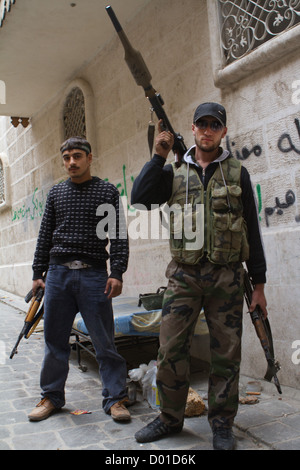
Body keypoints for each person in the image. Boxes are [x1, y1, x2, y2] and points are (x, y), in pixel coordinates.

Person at [131, 102, 267, 450]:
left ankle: (222, 424)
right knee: (171, 350)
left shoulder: (237, 173)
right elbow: (139, 199)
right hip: (183, 277)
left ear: (223, 131)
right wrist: (158, 156)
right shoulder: (173, 172)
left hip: (227, 278)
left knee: (227, 355)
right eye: (201, 124)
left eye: (214, 125)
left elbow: (251, 227)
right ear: (192, 129)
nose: (207, 130)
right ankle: (169, 419)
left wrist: (260, 284)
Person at [28, 136, 130, 423]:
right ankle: (51, 396)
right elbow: (45, 235)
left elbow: (119, 235)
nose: (71, 162)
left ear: (89, 157)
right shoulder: (56, 193)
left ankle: (116, 398)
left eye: (77, 156)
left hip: (94, 275)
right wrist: (38, 273)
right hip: (58, 275)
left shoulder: (107, 192)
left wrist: (117, 272)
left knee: (104, 342)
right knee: (55, 341)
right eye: (67, 157)